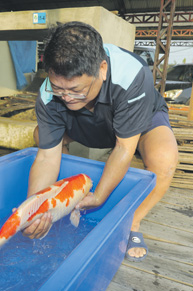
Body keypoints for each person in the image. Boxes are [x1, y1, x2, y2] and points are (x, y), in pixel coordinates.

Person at [22, 21, 178, 262]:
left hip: (133, 124)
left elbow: (125, 146)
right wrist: (35, 209)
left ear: (102, 69)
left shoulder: (131, 74)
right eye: (57, 88)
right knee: (41, 138)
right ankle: (62, 198)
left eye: (75, 89)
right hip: (85, 123)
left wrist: (99, 196)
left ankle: (133, 222)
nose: (66, 97)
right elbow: (46, 157)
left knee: (164, 158)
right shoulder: (50, 94)